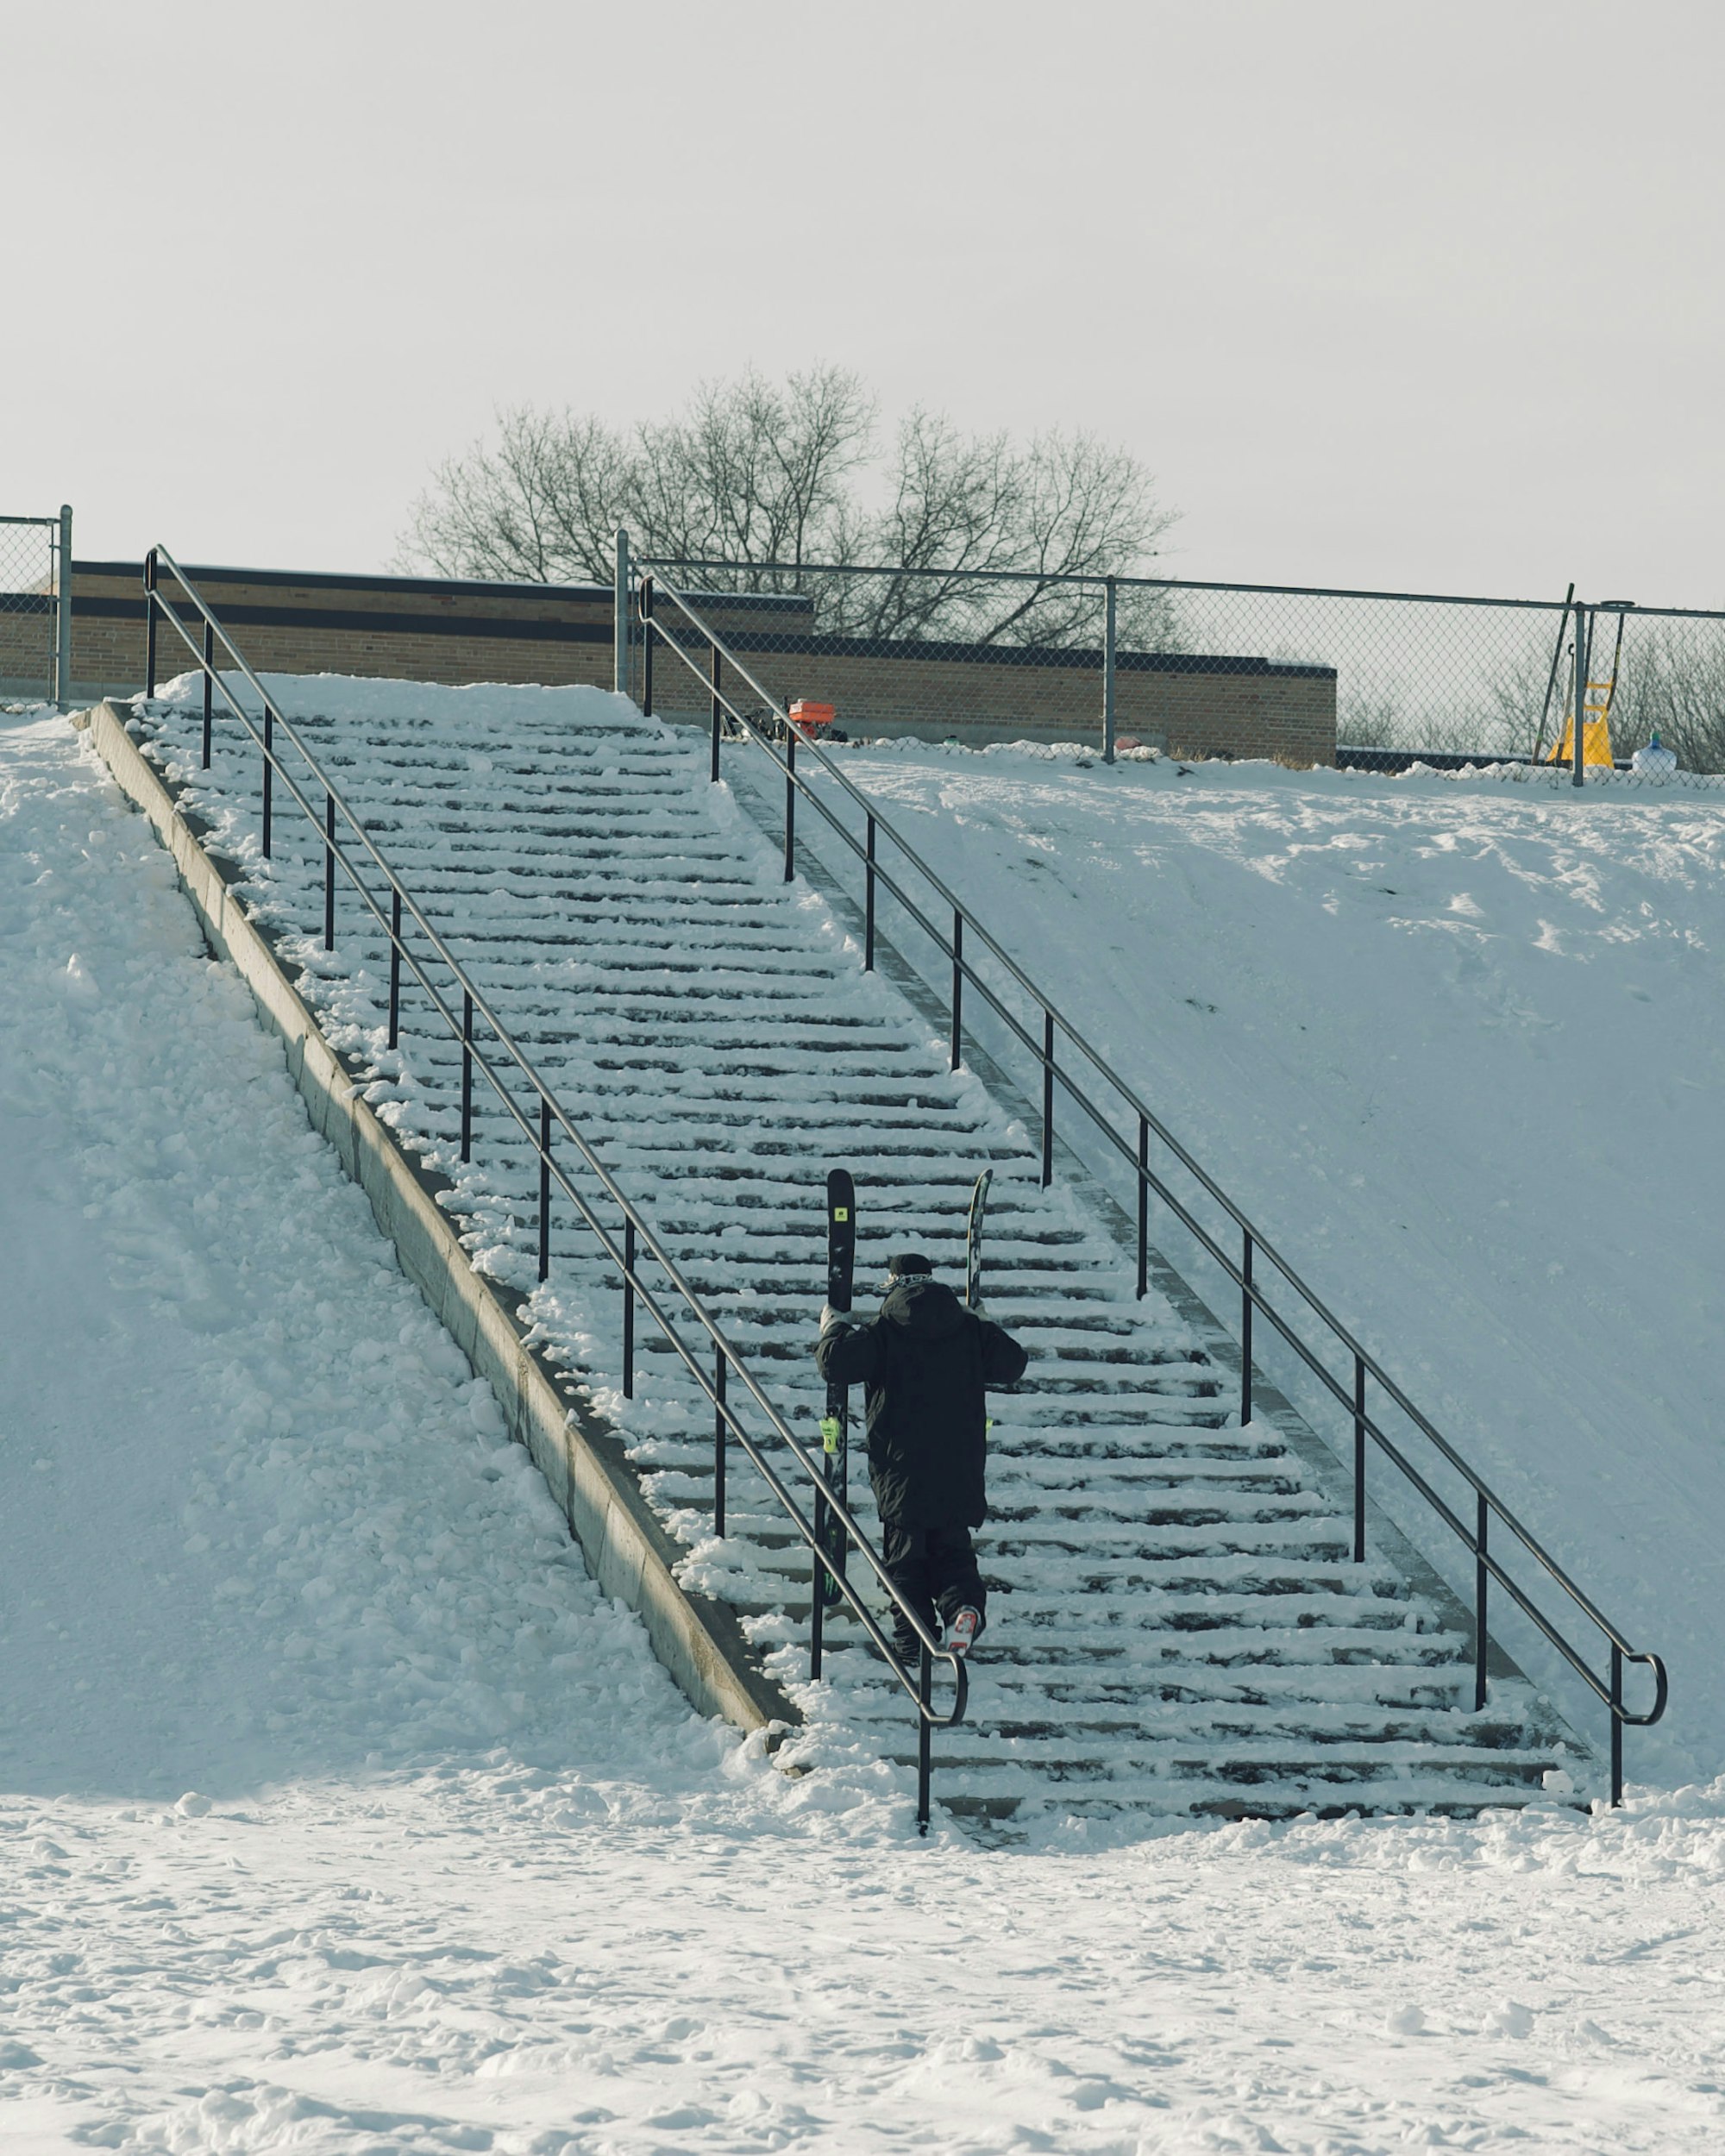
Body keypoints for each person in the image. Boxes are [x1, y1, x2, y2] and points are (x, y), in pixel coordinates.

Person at [814, 1250, 1027, 1664]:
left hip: (901, 1469)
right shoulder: (967, 1328)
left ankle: (913, 1644)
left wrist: (832, 1330)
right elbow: (1013, 1364)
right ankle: (963, 1608)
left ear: (892, 1284)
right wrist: (985, 1324)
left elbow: (834, 1365)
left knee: (905, 1560)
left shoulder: (883, 1330)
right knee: (953, 1553)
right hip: (959, 1469)